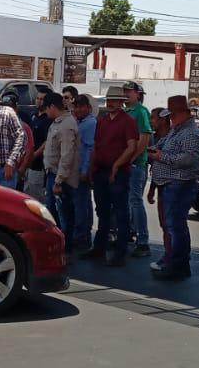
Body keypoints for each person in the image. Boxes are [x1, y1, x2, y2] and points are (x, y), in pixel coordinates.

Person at [148, 95, 199, 281]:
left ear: (182, 114)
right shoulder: (176, 130)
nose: (170, 118)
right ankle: (174, 261)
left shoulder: (190, 134)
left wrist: (161, 157)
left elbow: (188, 160)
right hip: (170, 183)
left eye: (172, 115)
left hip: (179, 184)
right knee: (172, 225)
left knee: (176, 226)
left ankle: (179, 264)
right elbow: (164, 147)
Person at [83, 86, 137, 266]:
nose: (111, 103)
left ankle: (120, 251)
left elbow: (132, 147)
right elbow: (96, 146)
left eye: (114, 100)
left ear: (122, 102)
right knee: (103, 211)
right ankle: (99, 247)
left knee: (121, 212)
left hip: (118, 172)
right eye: (109, 99)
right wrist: (91, 169)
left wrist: (117, 165)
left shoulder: (128, 121)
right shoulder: (103, 120)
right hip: (101, 170)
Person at [42, 92, 80, 243]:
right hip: (52, 174)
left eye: (46, 108)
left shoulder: (66, 125)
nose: (45, 112)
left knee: (64, 216)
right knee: (53, 214)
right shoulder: (57, 122)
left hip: (62, 178)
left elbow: (67, 155)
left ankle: (66, 247)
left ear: (52, 106)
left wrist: (59, 181)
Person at [122, 81, 154, 257]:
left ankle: (143, 241)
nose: (127, 94)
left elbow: (144, 139)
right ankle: (129, 233)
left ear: (138, 94)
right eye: (125, 91)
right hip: (125, 164)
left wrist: (130, 159)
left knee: (135, 201)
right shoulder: (125, 112)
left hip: (135, 164)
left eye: (130, 91)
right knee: (126, 201)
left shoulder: (141, 112)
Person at [145, 107, 173, 270]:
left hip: (173, 185)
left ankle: (173, 257)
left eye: (153, 118)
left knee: (172, 225)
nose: (151, 121)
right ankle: (168, 254)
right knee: (164, 224)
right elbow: (155, 165)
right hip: (160, 184)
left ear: (163, 120)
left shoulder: (173, 137)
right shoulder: (154, 138)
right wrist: (151, 189)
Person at [70, 94, 97, 252]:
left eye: (82, 107)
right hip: (75, 170)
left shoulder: (89, 123)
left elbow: (89, 149)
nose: (78, 110)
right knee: (82, 204)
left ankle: (82, 238)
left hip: (81, 171)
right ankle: (83, 236)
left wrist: (85, 170)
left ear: (88, 108)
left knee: (81, 205)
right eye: (76, 107)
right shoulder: (79, 121)